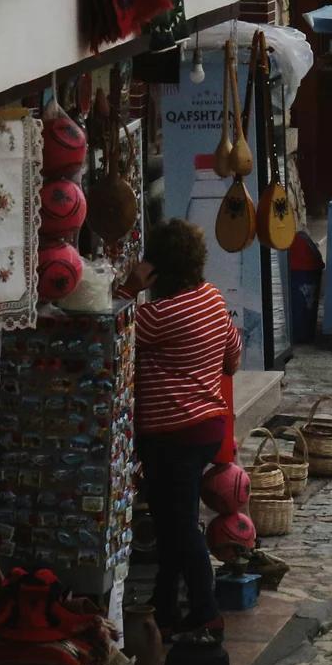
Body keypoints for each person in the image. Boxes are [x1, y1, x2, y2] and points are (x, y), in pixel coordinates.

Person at [119, 218, 240, 641]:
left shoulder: (158, 316)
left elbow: (113, 329)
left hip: (173, 434)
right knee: (174, 523)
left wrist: (128, 288)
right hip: (206, 427)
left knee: (180, 526)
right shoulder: (212, 299)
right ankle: (166, 606)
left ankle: (206, 611)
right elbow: (233, 357)